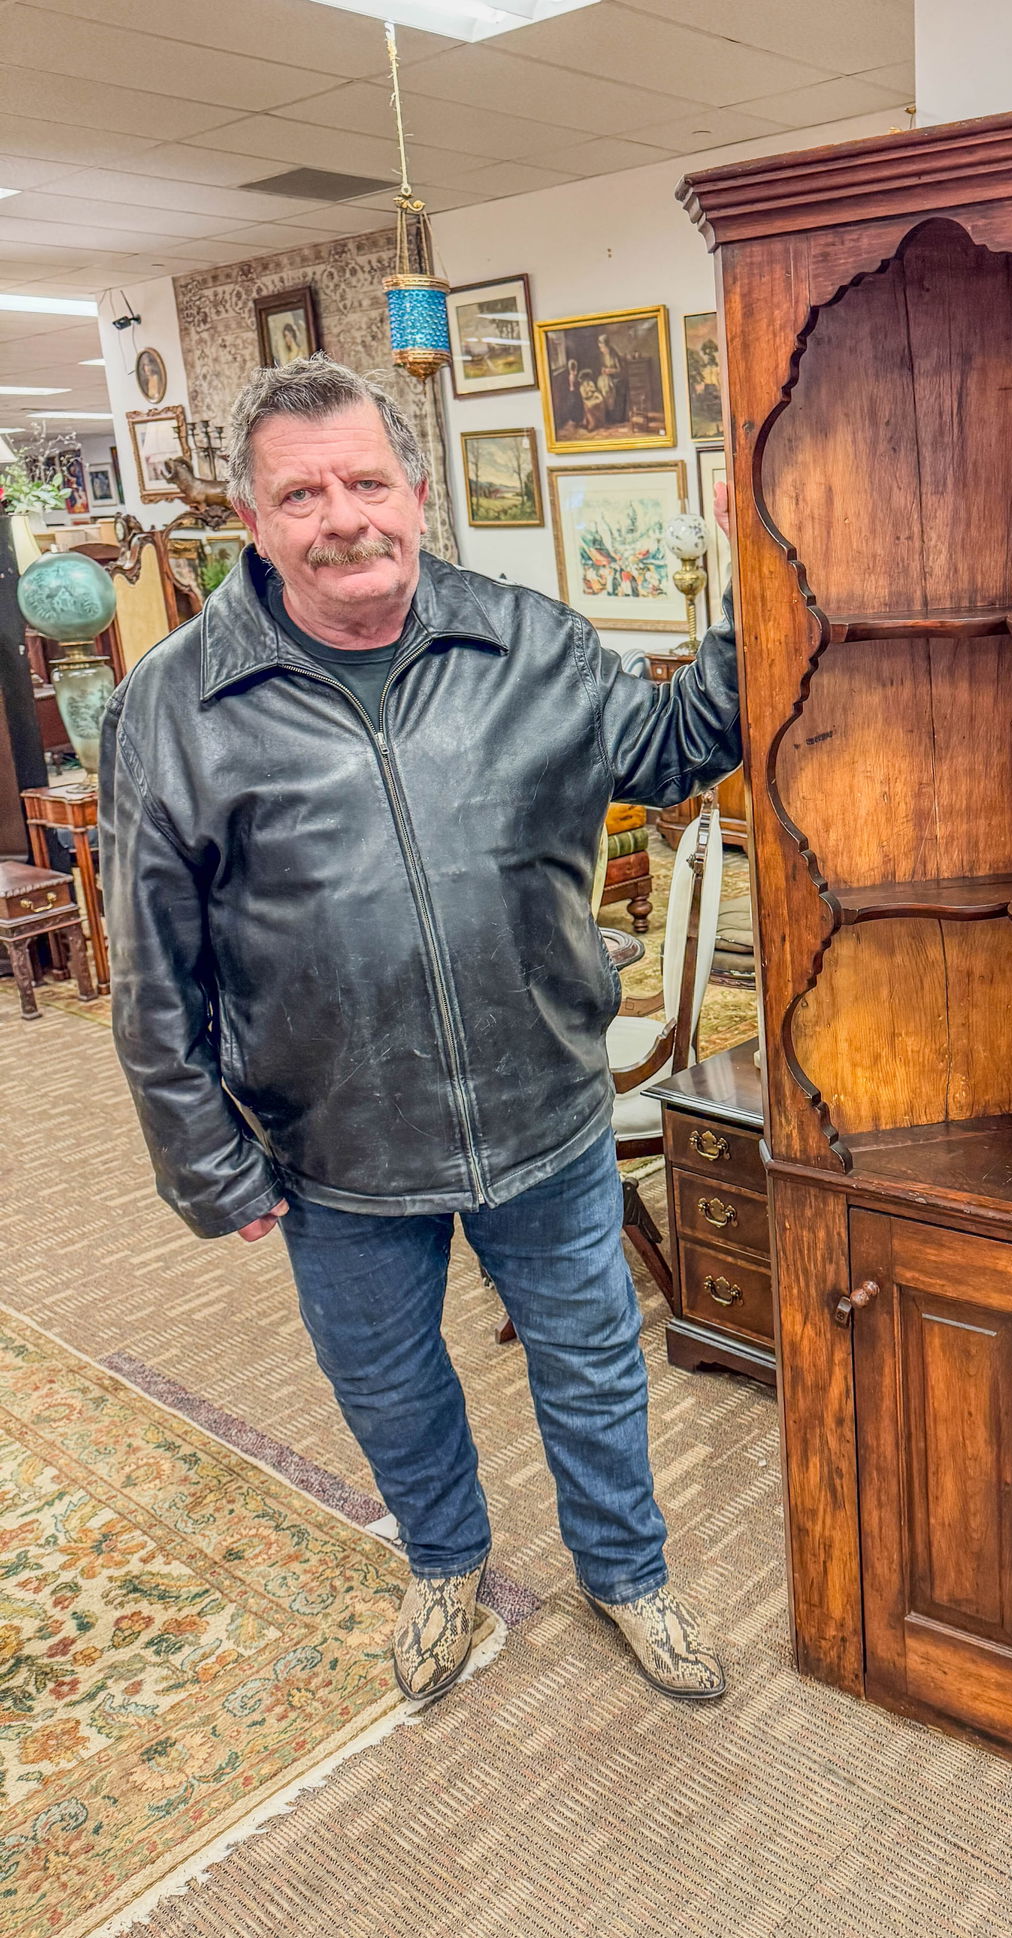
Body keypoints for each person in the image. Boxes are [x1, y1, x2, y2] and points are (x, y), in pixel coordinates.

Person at [101, 355, 741, 1707]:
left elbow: (681, 742)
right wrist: (209, 1164)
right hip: (332, 1145)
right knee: (391, 1389)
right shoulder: (175, 701)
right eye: (303, 492)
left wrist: (752, 575)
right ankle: (444, 1568)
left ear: (418, 491)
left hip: (544, 1111)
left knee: (592, 1373)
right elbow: (151, 971)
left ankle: (629, 1577)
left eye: (367, 481)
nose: (344, 518)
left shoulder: (530, 643)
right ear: (252, 516)